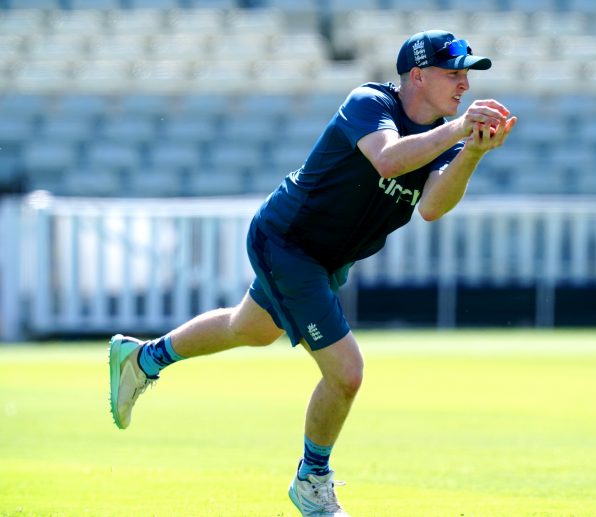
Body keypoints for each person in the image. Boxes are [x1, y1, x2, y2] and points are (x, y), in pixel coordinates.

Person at [109, 29, 516, 517]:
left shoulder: (444, 137)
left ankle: (143, 359)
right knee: (347, 373)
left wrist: (471, 151)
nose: (465, 85)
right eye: (453, 73)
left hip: (325, 259)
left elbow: (431, 207)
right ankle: (311, 480)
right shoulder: (370, 102)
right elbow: (388, 161)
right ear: (417, 76)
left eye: (466, 75)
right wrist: (459, 131)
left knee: (249, 328)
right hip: (287, 241)